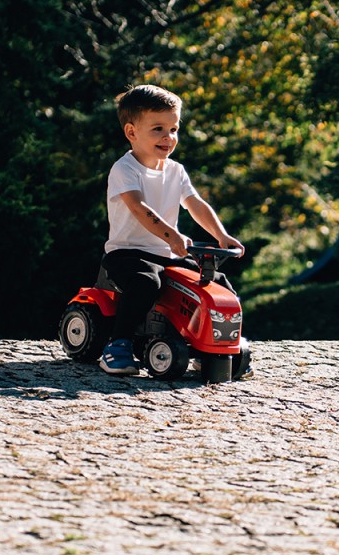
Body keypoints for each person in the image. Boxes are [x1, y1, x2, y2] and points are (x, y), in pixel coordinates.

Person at [99, 84, 244, 376]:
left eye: (174, 129)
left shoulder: (176, 171)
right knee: (145, 282)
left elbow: (196, 204)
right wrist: (172, 236)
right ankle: (118, 344)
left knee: (216, 282)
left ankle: (215, 344)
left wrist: (221, 235)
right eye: (158, 129)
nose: (169, 137)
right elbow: (141, 210)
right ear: (131, 132)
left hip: (167, 255)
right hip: (127, 254)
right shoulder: (125, 170)